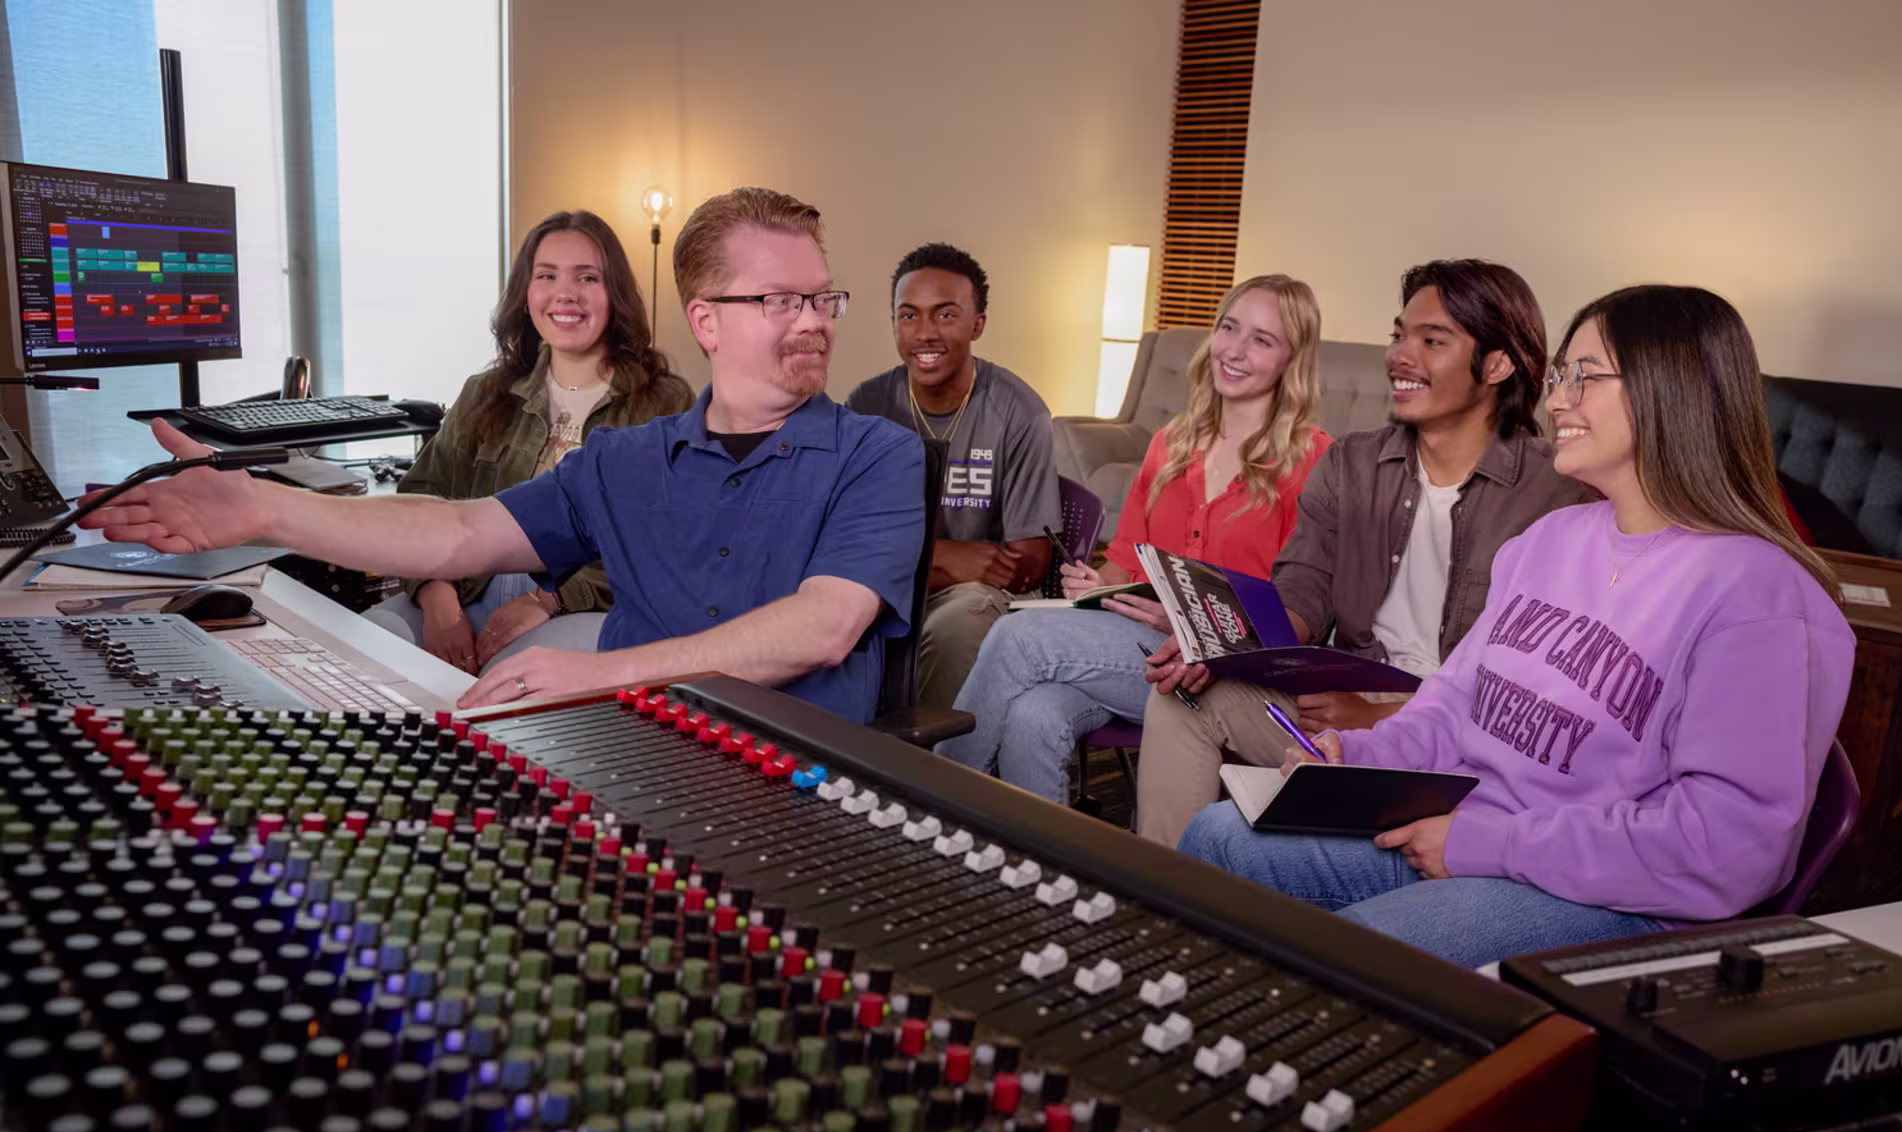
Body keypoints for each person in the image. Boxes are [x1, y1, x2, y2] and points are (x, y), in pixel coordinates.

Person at [1178, 284, 1856, 970]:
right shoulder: (1550, 540)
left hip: (1610, 896)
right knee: (1219, 837)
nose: (1555, 399)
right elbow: (1454, 704)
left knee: (1353, 956)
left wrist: (1486, 844)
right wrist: (1359, 758)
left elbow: (1726, 847)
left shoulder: (1762, 597)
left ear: (1669, 389)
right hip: (1463, 830)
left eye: (1583, 378)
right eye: (1559, 376)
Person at [84, 187, 926, 722]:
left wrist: (600, 673)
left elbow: (820, 629)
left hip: (797, 793)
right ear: (707, 321)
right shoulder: (625, 461)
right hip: (630, 761)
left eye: (823, 298)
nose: (814, 320)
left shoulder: (879, 456)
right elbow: (455, 533)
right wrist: (267, 508)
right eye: (782, 300)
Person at [1135, 260, 1589, 846]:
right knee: (1186, 697)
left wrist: (1381, 720)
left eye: (1432, 340)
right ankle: (1157, 899)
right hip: (1342, 704)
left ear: (1497, 364)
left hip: (1468, 737)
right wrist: (1223, 647)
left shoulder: (1558, 492)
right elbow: (1300, 593)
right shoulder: (1351, 463)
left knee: (1236, 833)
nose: (1401, 355)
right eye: (1400, 334)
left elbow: (1541, 691)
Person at [934, 274, 1331, 802]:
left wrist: (1194, 620)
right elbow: (1126, 560)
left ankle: (928, 800)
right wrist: (1098, 583)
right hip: (1136, 651)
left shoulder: (1313, 460)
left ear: (1292, 358)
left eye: (1262, 339)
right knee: (1034, 714)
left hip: (1226, 671)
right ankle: (1044, 878)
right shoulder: (1172, 442)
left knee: (1018, 637)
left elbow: (1300, 612)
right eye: (1229, 328)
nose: (1234, 351)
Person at [365, 210, 693, 674]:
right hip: (464, 595)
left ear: (614, 294)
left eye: (587, 277)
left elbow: (664, 542)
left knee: (507, 686)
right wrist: (437, 600)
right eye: (547, 275)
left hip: (585, 609)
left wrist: (547, 600)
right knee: (364, 646)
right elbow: (421, 501)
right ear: (526, 294)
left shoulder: (663, 401)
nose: (566, 293)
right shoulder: (485, 392)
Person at [848, 243, 1062, 709]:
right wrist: (944, 557)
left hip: (971, 598)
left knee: (959, 620)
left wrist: (916, 565)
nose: (924, 333)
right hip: (889, 588)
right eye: (908, 316)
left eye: (945, 315)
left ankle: (935, 770)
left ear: (977, 324)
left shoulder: (1020, 412)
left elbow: (1028, 561)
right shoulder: (866, 405)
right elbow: (848, 543)